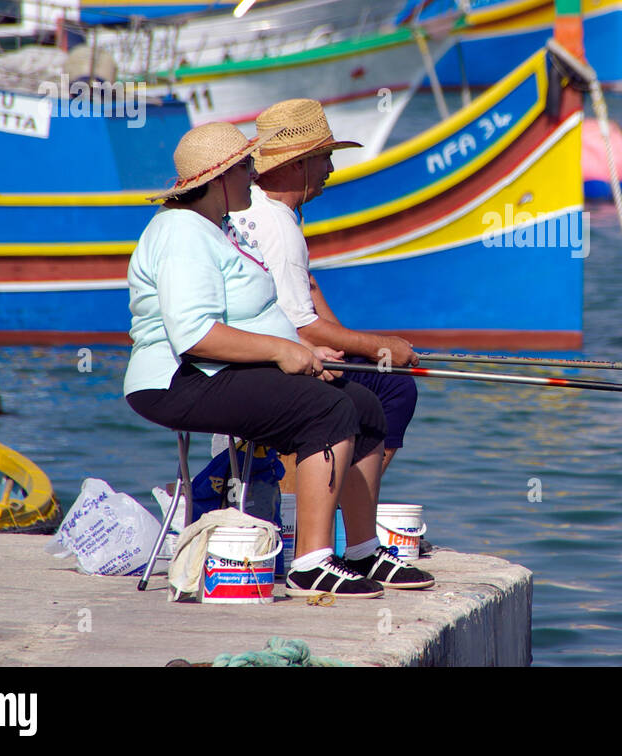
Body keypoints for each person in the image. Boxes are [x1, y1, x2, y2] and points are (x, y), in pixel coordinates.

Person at [122, 122, 432, 597]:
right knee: (327, 409)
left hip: (219, 371)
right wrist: (284, 351)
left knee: (366, 406)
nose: (254, 175)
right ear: (220, 176)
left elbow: (252, 315)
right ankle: (311, 561)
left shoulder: (217, 228)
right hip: (178, 381)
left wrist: (304, 351)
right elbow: (195, 334)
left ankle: (363, 549)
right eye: (247, 166)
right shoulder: (181, 232)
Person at [226, 99, 420, 477]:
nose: (330, 169)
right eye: (324, 158)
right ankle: (336, 514)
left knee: (371, 373)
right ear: (297, 164)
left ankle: (330, 507)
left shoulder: (253, 208)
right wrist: (385, 348)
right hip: (265, 363)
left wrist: (353, 344)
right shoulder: (279, 226)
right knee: (396, 390)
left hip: (252, 355)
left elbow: (306, 289)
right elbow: (304, 326)